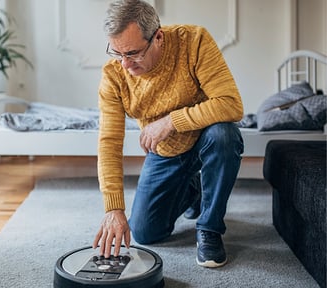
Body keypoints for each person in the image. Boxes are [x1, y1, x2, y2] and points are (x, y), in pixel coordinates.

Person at [92, 0, 244, 268]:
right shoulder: (114, 75)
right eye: (116, 53)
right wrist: (114, 208)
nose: (125, 65)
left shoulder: (194, 41)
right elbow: (109, 143)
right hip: (167, 153)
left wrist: (170, 121)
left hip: (206, 139)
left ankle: (209, 228)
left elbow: (230, 103)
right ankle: (193, 191)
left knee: (225, 134)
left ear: (158, 37)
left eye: (133, 53)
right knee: (146, 233)